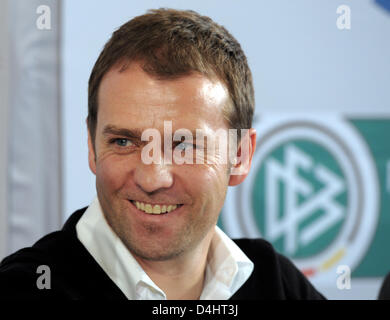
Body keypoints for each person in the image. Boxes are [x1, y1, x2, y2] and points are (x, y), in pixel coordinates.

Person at [0, 8, 325, 300]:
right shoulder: (25, 287)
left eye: (184, 145)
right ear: (91, 145)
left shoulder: (276, 282)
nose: (152, 178)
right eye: (124, 142)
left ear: (239, 155)